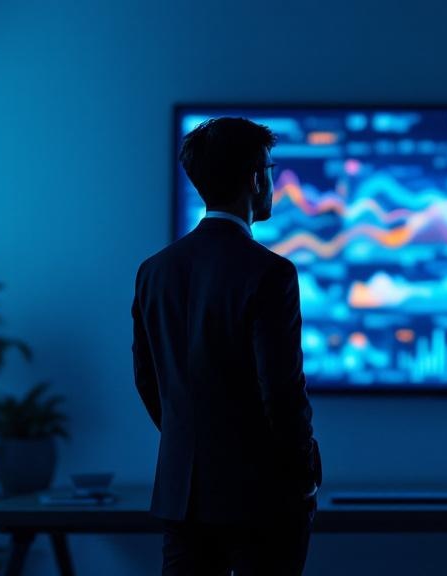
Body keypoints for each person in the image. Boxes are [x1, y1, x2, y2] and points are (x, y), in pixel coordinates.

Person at [132, 117, 321, 576]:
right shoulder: (270, 273)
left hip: (182, 493)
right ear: (256, 178)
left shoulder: (154, 270)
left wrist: (193, 443)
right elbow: (280, 389)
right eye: (271, 169)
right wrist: (303, 472)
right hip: (261, 497)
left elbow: (148, 380)